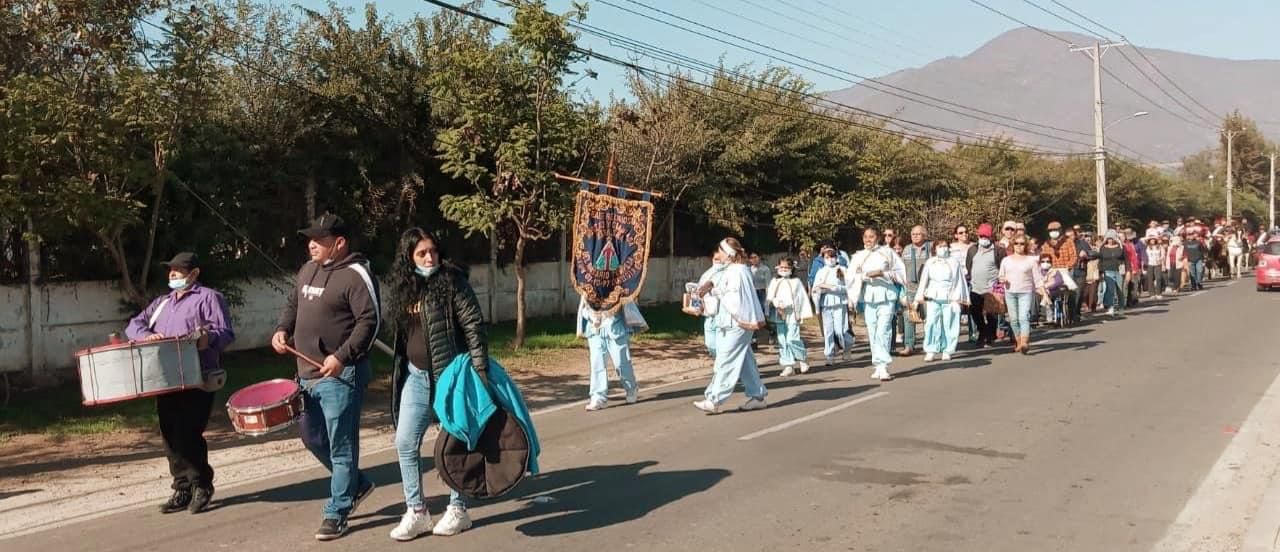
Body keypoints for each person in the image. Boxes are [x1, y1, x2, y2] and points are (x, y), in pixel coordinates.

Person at [271, 213, 380, 541]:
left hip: (340, 374)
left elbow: (370, 321)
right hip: (305, 373)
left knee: (341, 444)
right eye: (310, 238)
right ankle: (357, 484)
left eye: (319, 239)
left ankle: (337, 511)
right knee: (311, 436)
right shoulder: (308, 269)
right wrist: (281, 330)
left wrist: (342, 356)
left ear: (340, 243)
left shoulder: (356, 274)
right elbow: (294, 302)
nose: (311, 244)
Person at [385, 228, 488, 540]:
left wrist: (479, 371)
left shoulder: (453, 282)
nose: (429, 258)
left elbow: (473, 324)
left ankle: (459, 509)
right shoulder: (405, 288)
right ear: (409, 258)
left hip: (451, 376)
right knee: (405, 442)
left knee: (454, 444)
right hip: (416, 377)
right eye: (421, 253)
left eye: (432, 251)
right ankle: (416, 511)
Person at [125, 252, 234, 515]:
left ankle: (201, 484)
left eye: (178, 270)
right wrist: (147, 336)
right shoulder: (162, 302)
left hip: (197, 376)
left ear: (194, 273)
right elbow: (134, 325)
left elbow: (226, 332)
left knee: (188, 431)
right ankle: (181, 487)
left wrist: (206, 338)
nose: (172, 274)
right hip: (165, 378)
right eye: (170, 270)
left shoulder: (209, 297)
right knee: (169, 434)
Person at [694, 238, 768, 414]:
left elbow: (735, 298)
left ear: (728, 254)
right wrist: (711, 286)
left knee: (725, 360)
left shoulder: (738, 272)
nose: (718, 255)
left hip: (737, 322)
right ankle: (757, 395)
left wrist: (715, 290)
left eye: (720, 251)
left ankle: (714, 399)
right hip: (729, 322)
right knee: (745, 361)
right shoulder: (733, 270)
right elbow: (723, 288)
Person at [848, 228, 907, 381]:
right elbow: (851, 278)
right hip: (869, 298)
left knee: (883, 329)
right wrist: (863, 278)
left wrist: (882, 273)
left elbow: (901, 273)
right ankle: (877, 364)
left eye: (871, 237)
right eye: (866, 237)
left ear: (877, 238)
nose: (868, 240)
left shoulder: (887, 253)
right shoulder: (858, 256)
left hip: (886, 296)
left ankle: (883, 365)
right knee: (873, 331)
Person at [578, 294, 642, 411]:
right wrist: (591, 317)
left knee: (621, 363)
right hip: (595, 329)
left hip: (615, 327)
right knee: (597, 364)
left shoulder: (617, 284)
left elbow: (626, 301)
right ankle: (598, 397)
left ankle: (631, 388)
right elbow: (584, 307)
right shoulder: (589, 285)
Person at [913, 237, 968, 361]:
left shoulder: (954, 262)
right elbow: (924, 281)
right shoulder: (930, 262)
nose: (942, 249)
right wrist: (918, 297)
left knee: (949, 324)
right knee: (931, 323)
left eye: (944, 246)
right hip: (933, 296)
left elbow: (959, 281)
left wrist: (957, 299)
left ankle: (948, 349)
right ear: (935, 249)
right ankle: (931, 349)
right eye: (939, 246)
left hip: (949, 297)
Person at [766, 258, 813, 377]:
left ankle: (802, 358)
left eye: (786, 267)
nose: (783, 270)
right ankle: (788, 365)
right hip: (778, 313)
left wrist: (795, 309)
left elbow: (800, 298)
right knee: (782, 340)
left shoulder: (796, 281)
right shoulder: (775, 281)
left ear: (791, 269)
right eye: (781, 267)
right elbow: (770, 296)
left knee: (792, 338)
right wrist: (776, 303)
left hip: (792, 313)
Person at [998, 238, 1045, 354]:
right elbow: (1001, 276)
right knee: (1013, 319)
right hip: (1010, 292)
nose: (1019, 245)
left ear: (1026, 245)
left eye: (1022, 243)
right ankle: (1018, 341)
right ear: (1012, 245)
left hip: (1025, 292)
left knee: (1023, 317)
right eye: (1016, 243)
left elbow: (1037, 278)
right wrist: (1003, 279)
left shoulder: (1030, 260)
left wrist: (1043, 291)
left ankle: (1024, 342)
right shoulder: (1006, 260)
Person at [965, 223, 1005, 348]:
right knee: (974, 311)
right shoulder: (972, 249)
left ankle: (989, 336)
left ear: (991, 237)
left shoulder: (998, 250)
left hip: (992, 287)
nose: (983, 239)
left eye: (986, 236)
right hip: (976, 287)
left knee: (991, 313)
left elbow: (1003, 266)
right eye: (981, 236)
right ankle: (983, 332)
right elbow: (969, 265)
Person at [811, 246, 852, 365]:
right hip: (826, 304)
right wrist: (817, 303)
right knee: (828, 331)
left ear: (836, 257)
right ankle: (829, 355)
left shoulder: (843, 269)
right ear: (823, 258)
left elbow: (849, 288)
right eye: (827, 257)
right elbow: (815, 289)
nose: (830, 259)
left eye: (832, 256)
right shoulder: (821, 271)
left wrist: (832, 287)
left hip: (840, 303)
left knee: (841, 330)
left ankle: (847, 347)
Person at [897, 226, 931, 357]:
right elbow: (901, 269)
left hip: (927, 289)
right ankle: (908, 345)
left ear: (925, 235)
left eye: (918, 234)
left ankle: (930, 344)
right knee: (908, 317)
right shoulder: (906, 249)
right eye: (913, 234)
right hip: (910, 288)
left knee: (929, 318)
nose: (915, 236)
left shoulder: (931, 247)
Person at [695, 250, 728, 359]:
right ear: (712, 260)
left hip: (724, 314)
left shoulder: (729, 273)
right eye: (716, 259)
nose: (718, 262)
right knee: (710, 344)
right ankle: (719, 363)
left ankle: (723, 368)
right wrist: (697, 306)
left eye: (720, 259)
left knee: (723, 344)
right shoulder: (707, 274)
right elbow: (697, 293)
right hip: (709, 314)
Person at [1098, 230, 1128, 316]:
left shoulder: (1120, 247)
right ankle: (1111, 307)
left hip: (1118, 270)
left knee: (1119, 290)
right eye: (1108, 239)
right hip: (1107, 271)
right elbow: (1100, 260)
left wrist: (1128, 271)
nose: (1110, 240)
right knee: (1110, 290)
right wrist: (1100, 272)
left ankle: (1121, 307)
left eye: (1112, 238)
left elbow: (1125, 259)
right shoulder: (1103, 248)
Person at [747, 252, 772, 348]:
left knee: (762, 316)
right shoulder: (749, 270)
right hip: (753, 293)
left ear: (759, 258)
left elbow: (768, 284)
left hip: (762, 293)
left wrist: (768, 298)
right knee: (754, 316)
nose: (753, 259)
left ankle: (771, 330)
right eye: (751, 258)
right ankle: (754, 340)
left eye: (755, 257)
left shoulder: (765, 269)